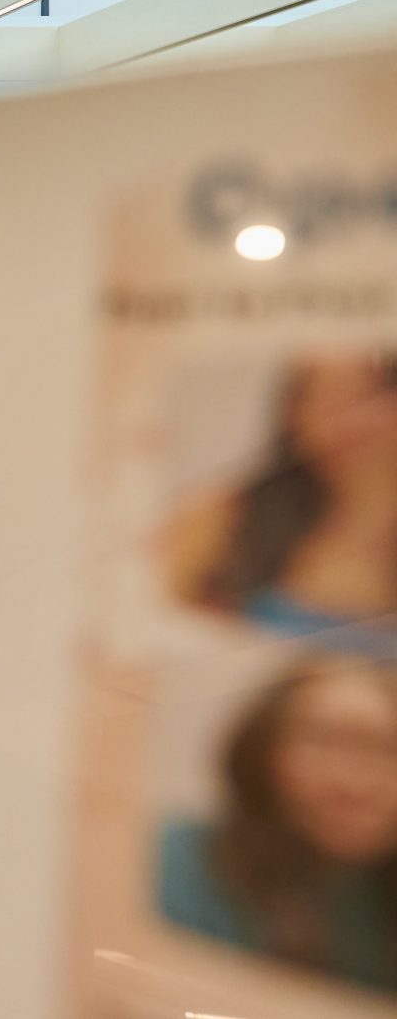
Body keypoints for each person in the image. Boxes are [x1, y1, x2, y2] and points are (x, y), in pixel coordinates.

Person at [156, 657, 397, 994]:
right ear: (262, 753)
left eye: (387, 750)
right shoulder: (179, 860)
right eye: (325, 741)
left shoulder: (378, 902)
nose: (354, 783)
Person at [165, 356, 397, 654]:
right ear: (292, 414)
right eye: (322, 402)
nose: (345, 424)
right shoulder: (225, 516)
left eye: (366, 397)